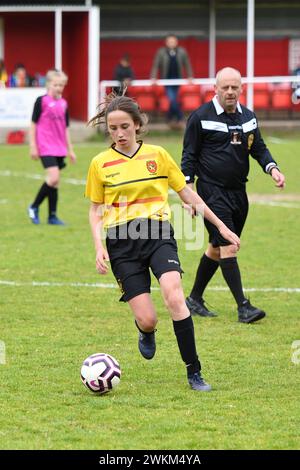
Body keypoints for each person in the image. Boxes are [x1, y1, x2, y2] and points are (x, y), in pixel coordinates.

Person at [85, 91, 240, 392]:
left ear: (138, 125)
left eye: (124, 127)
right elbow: (94, 209)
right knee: (147, 318)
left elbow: (188, 195)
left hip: (158, 235)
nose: (119, 134)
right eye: (113, 128)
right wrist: (98, 245)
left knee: (174, 296)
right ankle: (147, 330)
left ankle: (194, 371)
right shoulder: (99, 163)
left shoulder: (158, 155)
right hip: (121, 242)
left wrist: (221, 227)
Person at [181, 67, 285, 323]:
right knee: (229, 246)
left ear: (241, 89)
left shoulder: (248, 117)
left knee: (217, 248)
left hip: (239, 193)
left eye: (234, 87)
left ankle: (194, 299)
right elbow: (189, 156)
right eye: (224, 87)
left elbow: (258, 148)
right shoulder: (200, 117)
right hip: (211, 193)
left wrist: (272, 168)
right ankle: (244, 307)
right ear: (215, 88)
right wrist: (188, 192)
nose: (229, 92)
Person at [28, 69, 76, 225]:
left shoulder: (64, 104)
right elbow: (33, 124)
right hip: (45, 146)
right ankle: (34, 206)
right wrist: (33, 146)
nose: (59, 87)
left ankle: (52, 216)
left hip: (59, 147)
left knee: (56, 182)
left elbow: (66, 128)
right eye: (56, 84)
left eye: (62, 85)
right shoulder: (41, 101)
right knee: (53, 177)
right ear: (48, 84)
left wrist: (70, 149)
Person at [150, 34, 193, 128]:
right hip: (166, 80)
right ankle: (180, 118)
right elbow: (156, 65)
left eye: (173, 41)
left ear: (176, 42)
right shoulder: (161, 52)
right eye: (170, 41)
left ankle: (169, 118)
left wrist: (190, 76)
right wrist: (153, 77)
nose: (171, 43)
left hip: (178, 80)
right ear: (166, 42)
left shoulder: (182, 51)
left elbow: (187, 64)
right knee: (172, 99)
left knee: (174, 100)